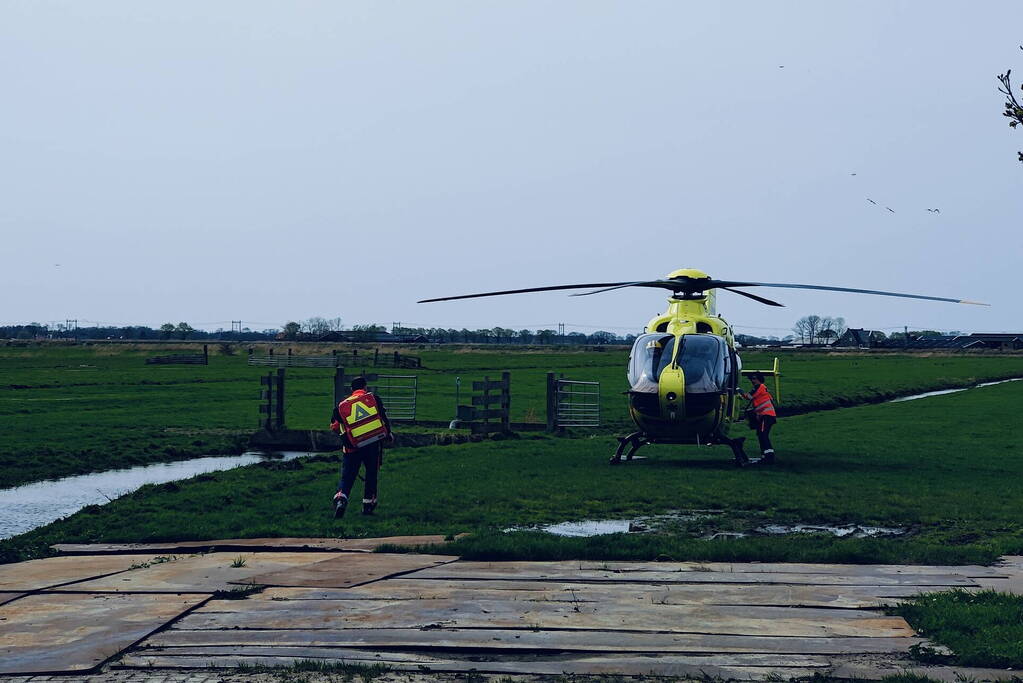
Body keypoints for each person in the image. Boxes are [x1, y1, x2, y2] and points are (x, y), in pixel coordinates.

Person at [329, 376, 394, 517]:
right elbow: (383, 417)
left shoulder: (342, 406)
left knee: (347, 477)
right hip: (372, 444)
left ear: (352, 390)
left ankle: (341, 500)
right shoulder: (373, 399)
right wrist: (388, 434)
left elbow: (334, 426)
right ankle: (367, 505)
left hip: (352, 447)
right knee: (371, 474)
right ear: (365, 387)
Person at [741, 372, 777, 463]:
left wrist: (739, 390)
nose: (752, 381)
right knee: (761, 434)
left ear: (759, 379)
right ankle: (765, 455)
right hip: (765, 416)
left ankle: (769, 455)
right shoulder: (761, 388)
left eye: (754, 379)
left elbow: (749, 397)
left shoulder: (759, 387)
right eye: (752, 379)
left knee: (763, 434)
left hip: (767, 415)